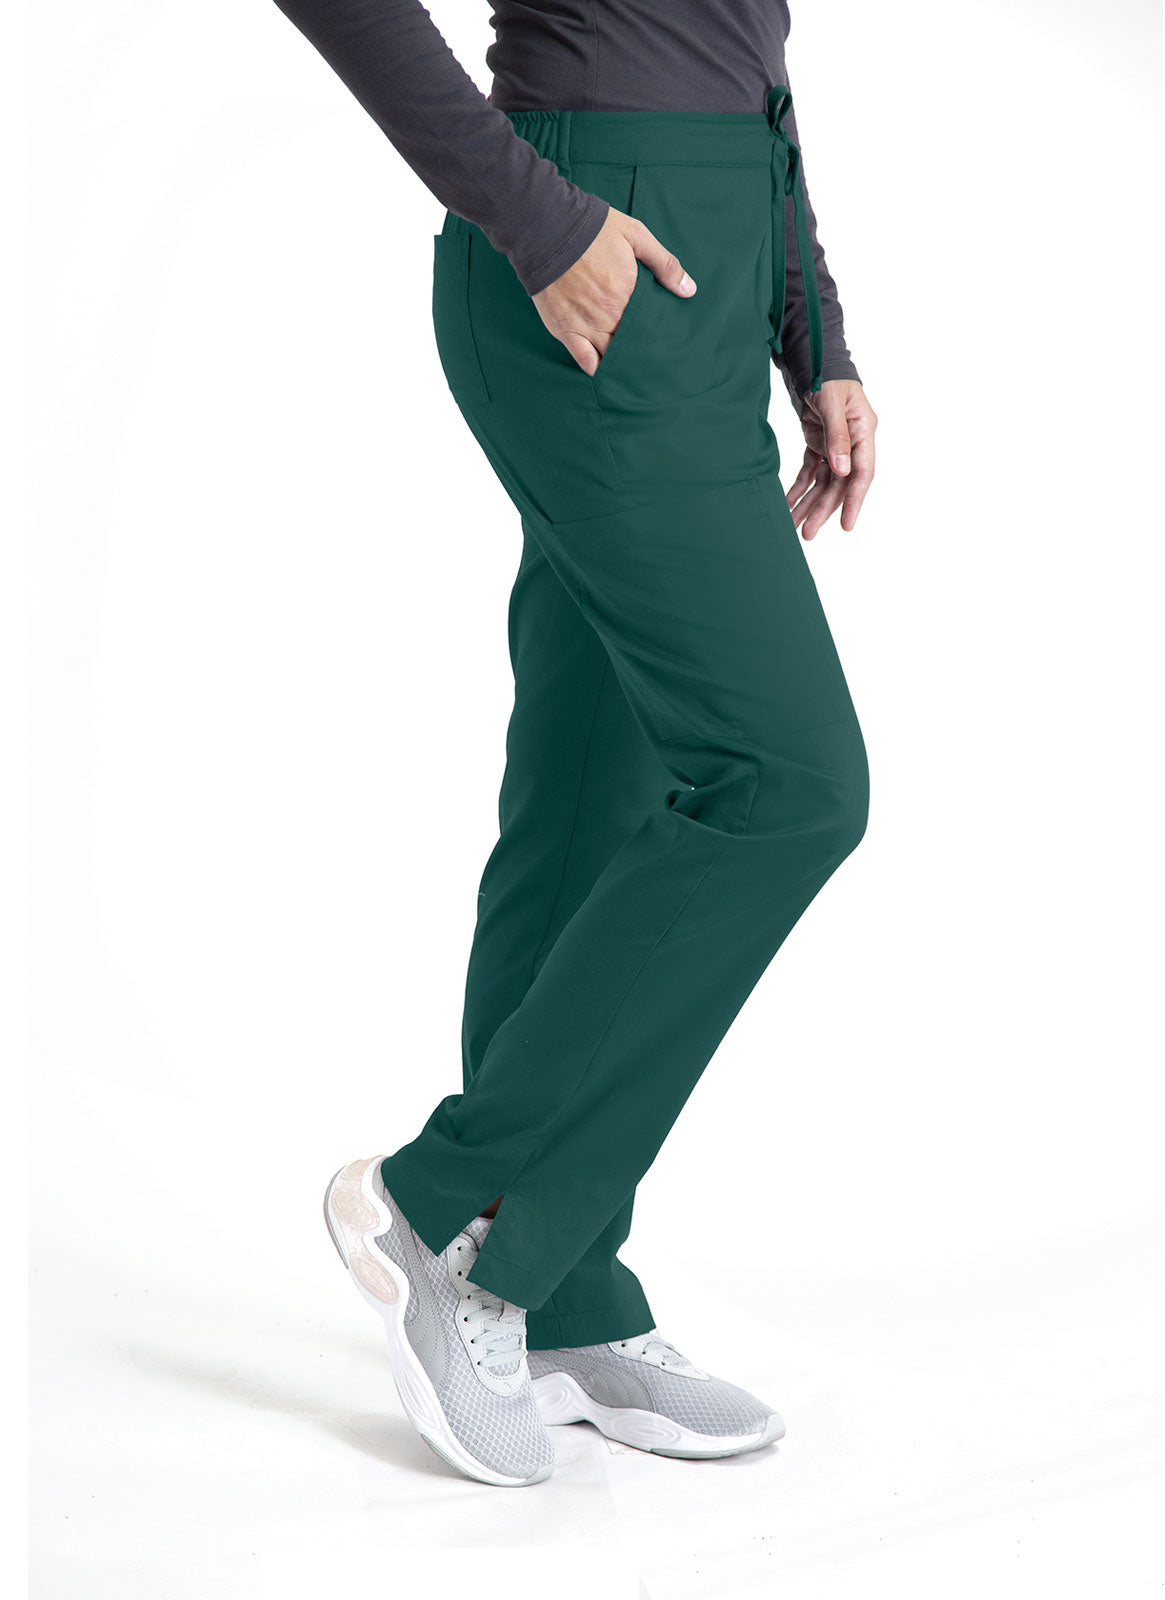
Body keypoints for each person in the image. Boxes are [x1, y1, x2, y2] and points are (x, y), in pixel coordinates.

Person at [276, 0, 878, 1487]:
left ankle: (556, 1294)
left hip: (708, 250)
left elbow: (746, 50)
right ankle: (450, 1205)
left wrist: (812, 332)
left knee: (597, 787)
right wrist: (538, 222)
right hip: (588, 239)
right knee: (789, 782)